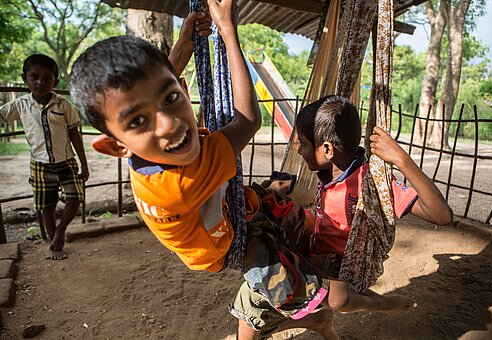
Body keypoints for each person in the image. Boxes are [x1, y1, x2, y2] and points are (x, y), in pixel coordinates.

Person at [69, 0, 331, 325]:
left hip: (214, 209)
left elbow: (160, 83)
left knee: (273, 203)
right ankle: (313, 298)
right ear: (116, 146)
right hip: (221, 246)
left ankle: (312, 235)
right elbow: (248, 121)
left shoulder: (143, 150)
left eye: (170, 98)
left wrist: (184, 44)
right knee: (281, 269)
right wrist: (228, 31)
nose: (169, 125)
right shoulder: (181, 182)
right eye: (139, 121)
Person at [231, 95, 454, 340]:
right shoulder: (329, 172)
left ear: (327, 149)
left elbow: (441, 215)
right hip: (312, 242)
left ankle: (362, 309)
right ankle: (318, 320)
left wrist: (401, 159)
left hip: (339, 267)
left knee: (251, 299)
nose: (299, 150)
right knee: (265, 202)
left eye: (303, 144)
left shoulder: (372, 184)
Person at [0, 54, 89, 260]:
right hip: (39, 164)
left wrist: (84, 164)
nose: (40, 82)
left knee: (75, 198)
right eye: (34, 77)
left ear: (55, 82)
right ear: (25, 79)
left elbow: (75, 134)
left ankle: (60, 230)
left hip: (66, 161)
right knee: (46, 206)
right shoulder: (20, 105)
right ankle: (55, 243)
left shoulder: (63, 105)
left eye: (47, 78)